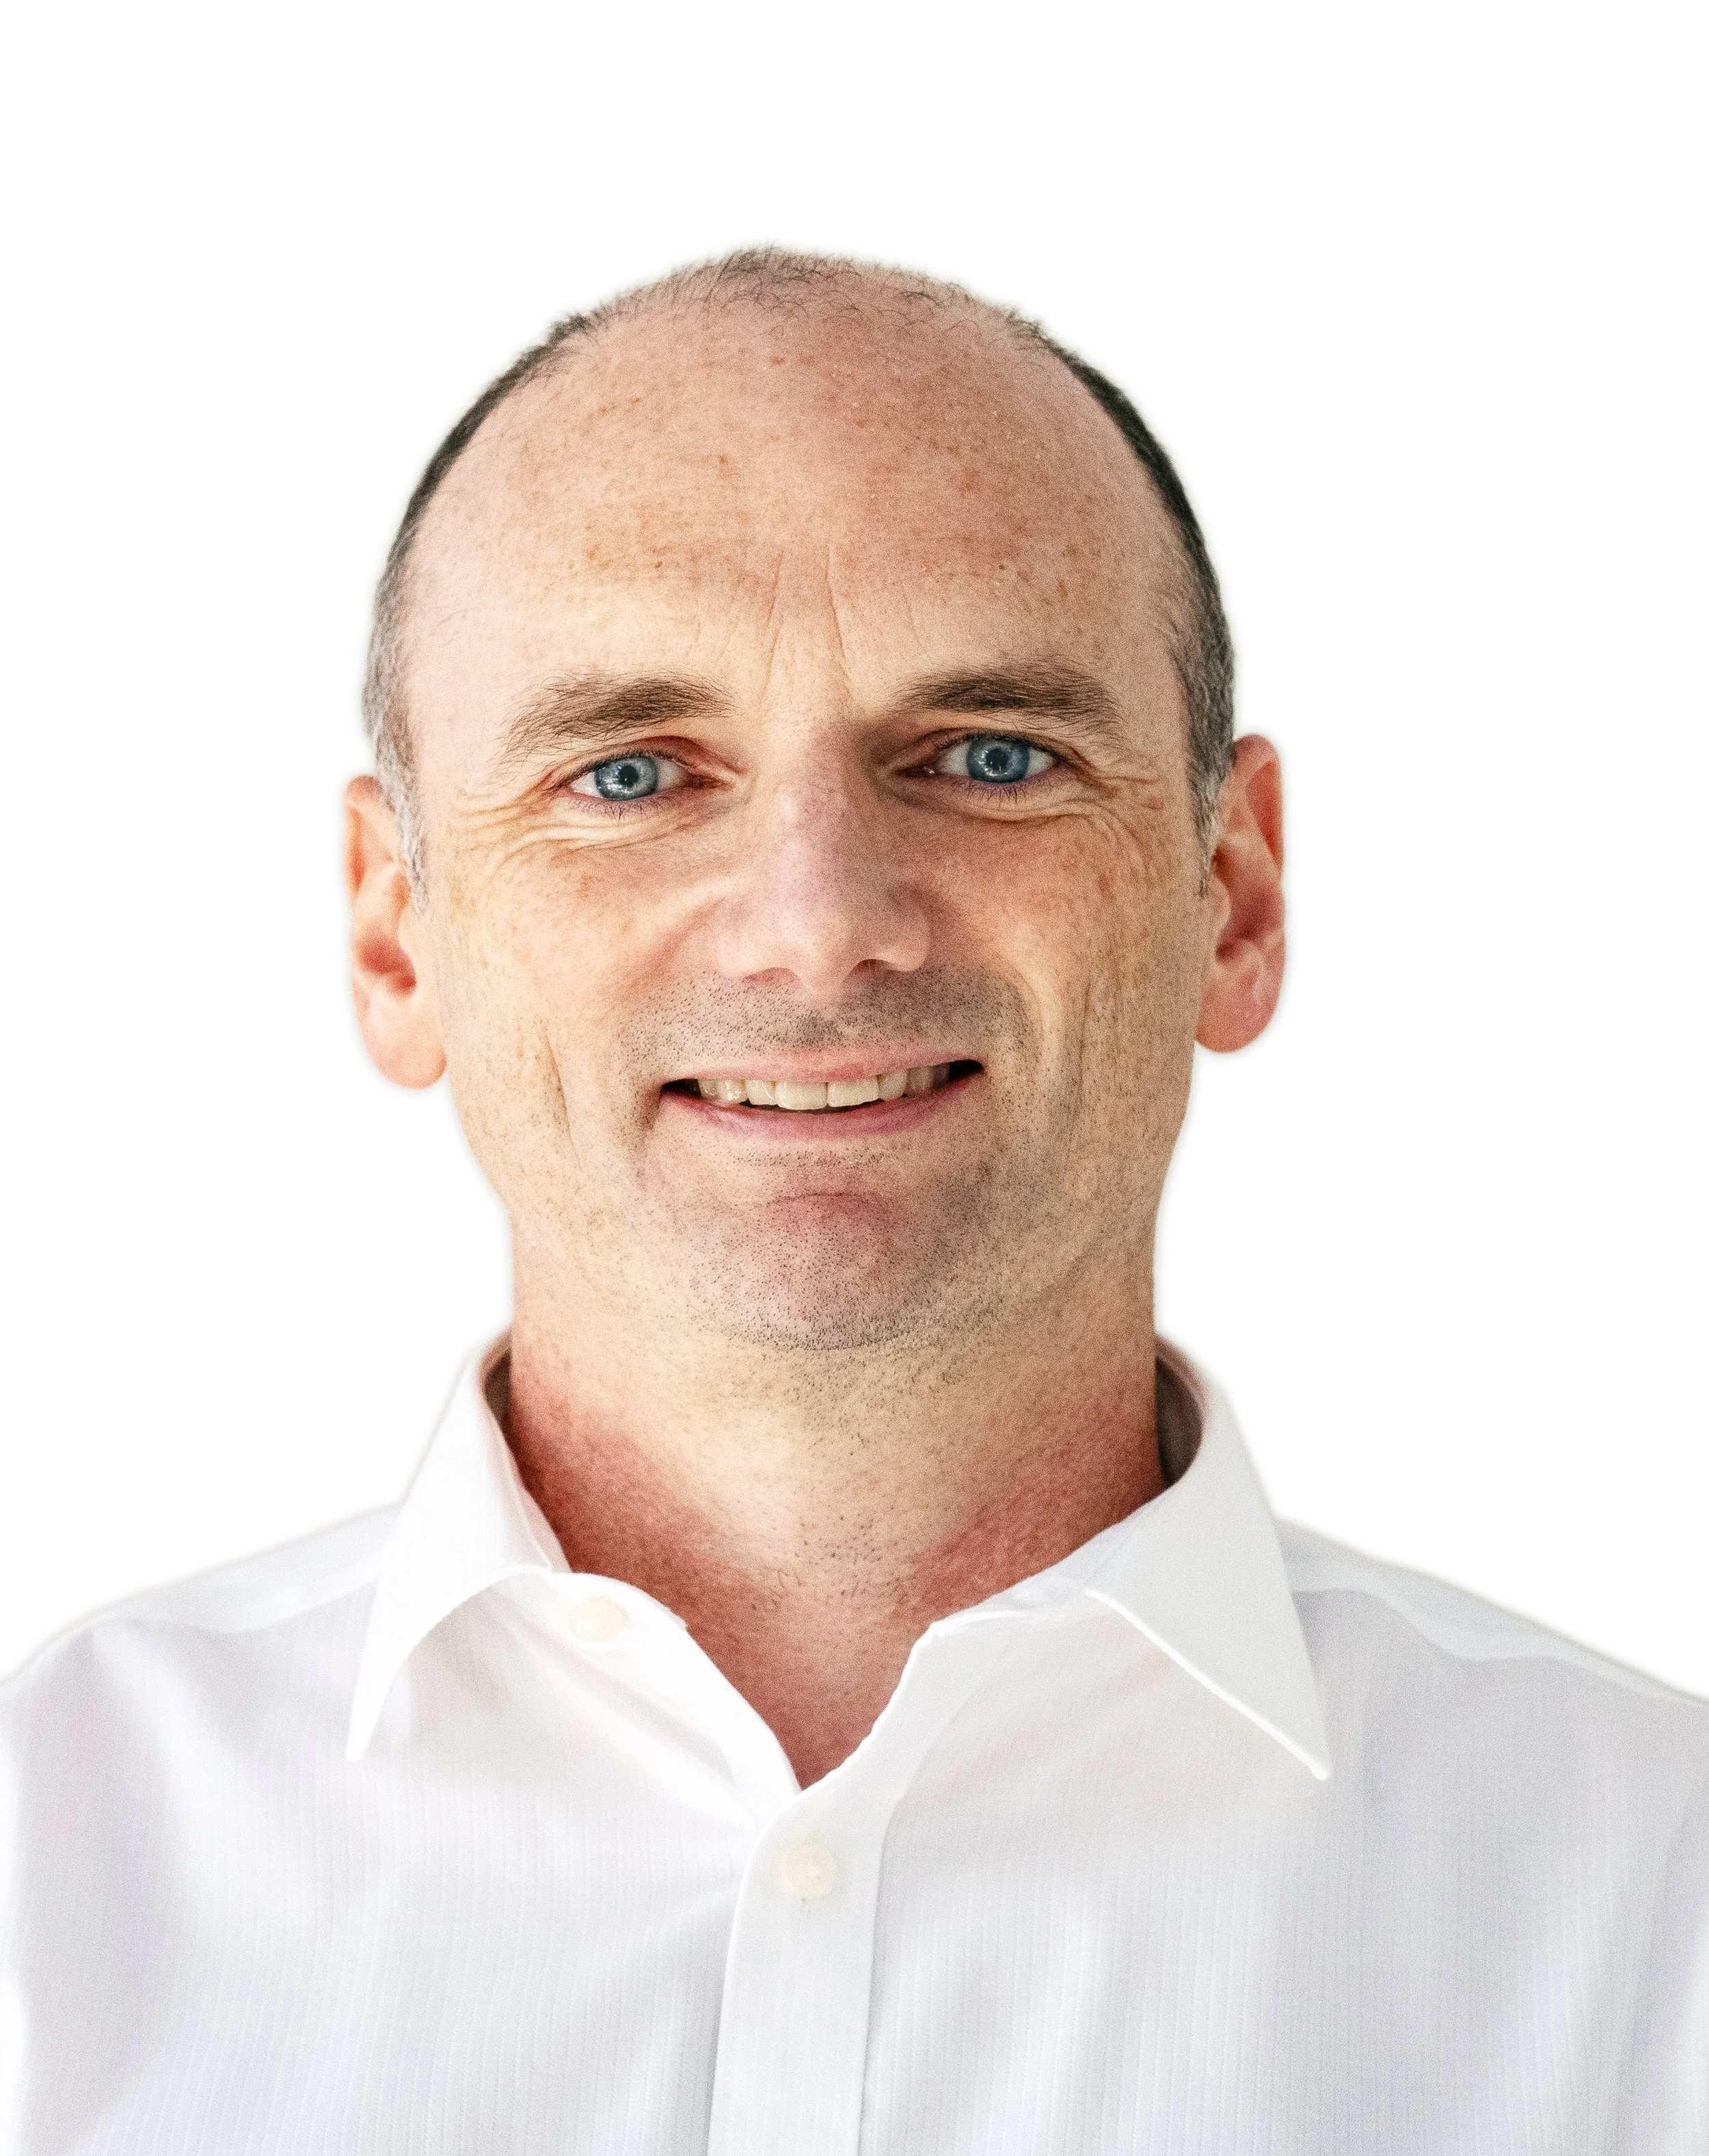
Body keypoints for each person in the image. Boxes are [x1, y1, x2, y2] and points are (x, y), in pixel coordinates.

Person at [3, 250, 1704, 2154]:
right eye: (631, 773)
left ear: (1231, 891)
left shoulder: (1653, 1914)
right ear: (396, 939)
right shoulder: (39, 1883)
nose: (820, 930)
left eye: (989, 758)